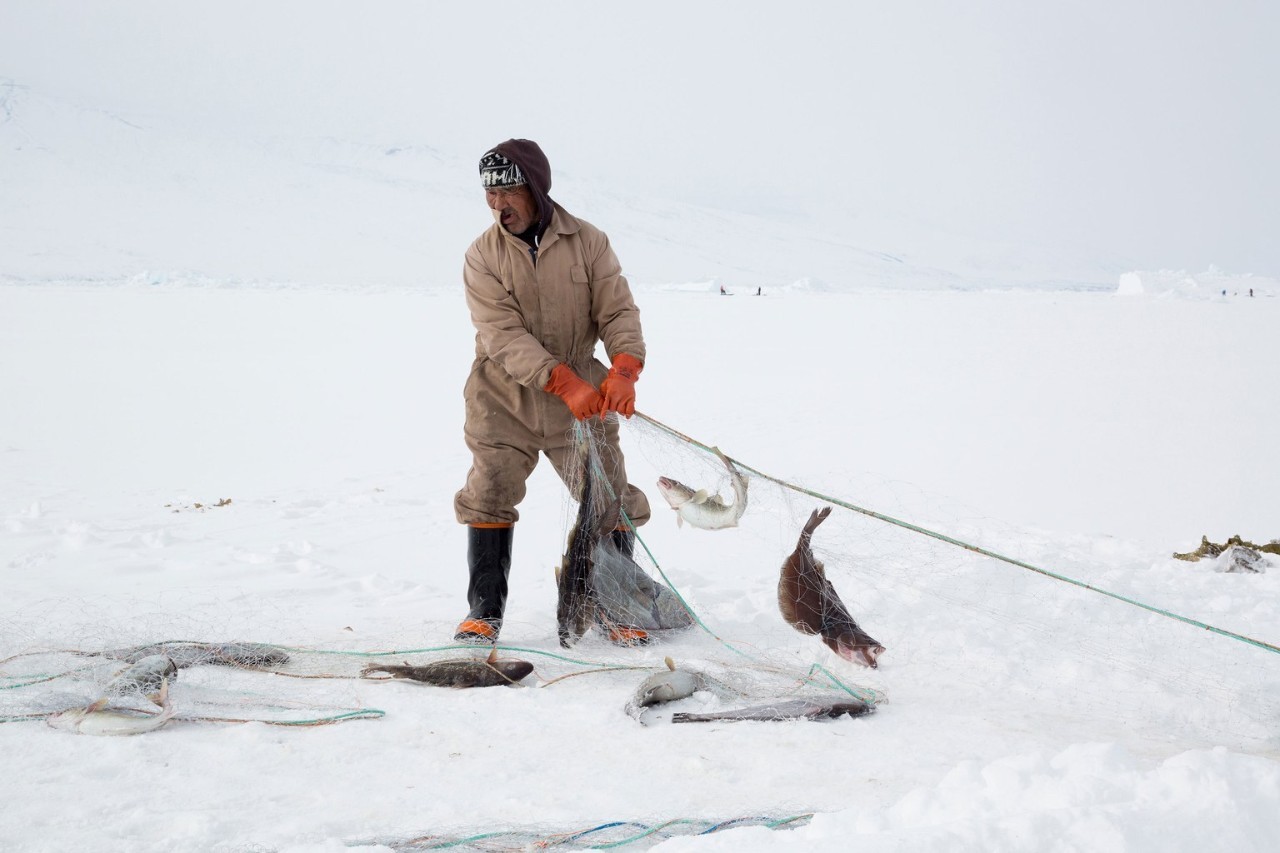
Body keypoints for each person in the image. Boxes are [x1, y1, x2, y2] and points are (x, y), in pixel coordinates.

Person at [452, 139, 651, 645]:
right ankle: (484, 613)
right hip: (502, 398)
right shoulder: (482, 255)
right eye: (489, 195)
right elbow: (502, 334)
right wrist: (560, 381)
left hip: (583, 398)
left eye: (509, 191)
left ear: (536, 187)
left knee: (608, 496)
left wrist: (624, 368)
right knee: (489, 494)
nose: (499, 205)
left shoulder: (588, 242)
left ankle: (615, 606)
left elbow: (617, 309)